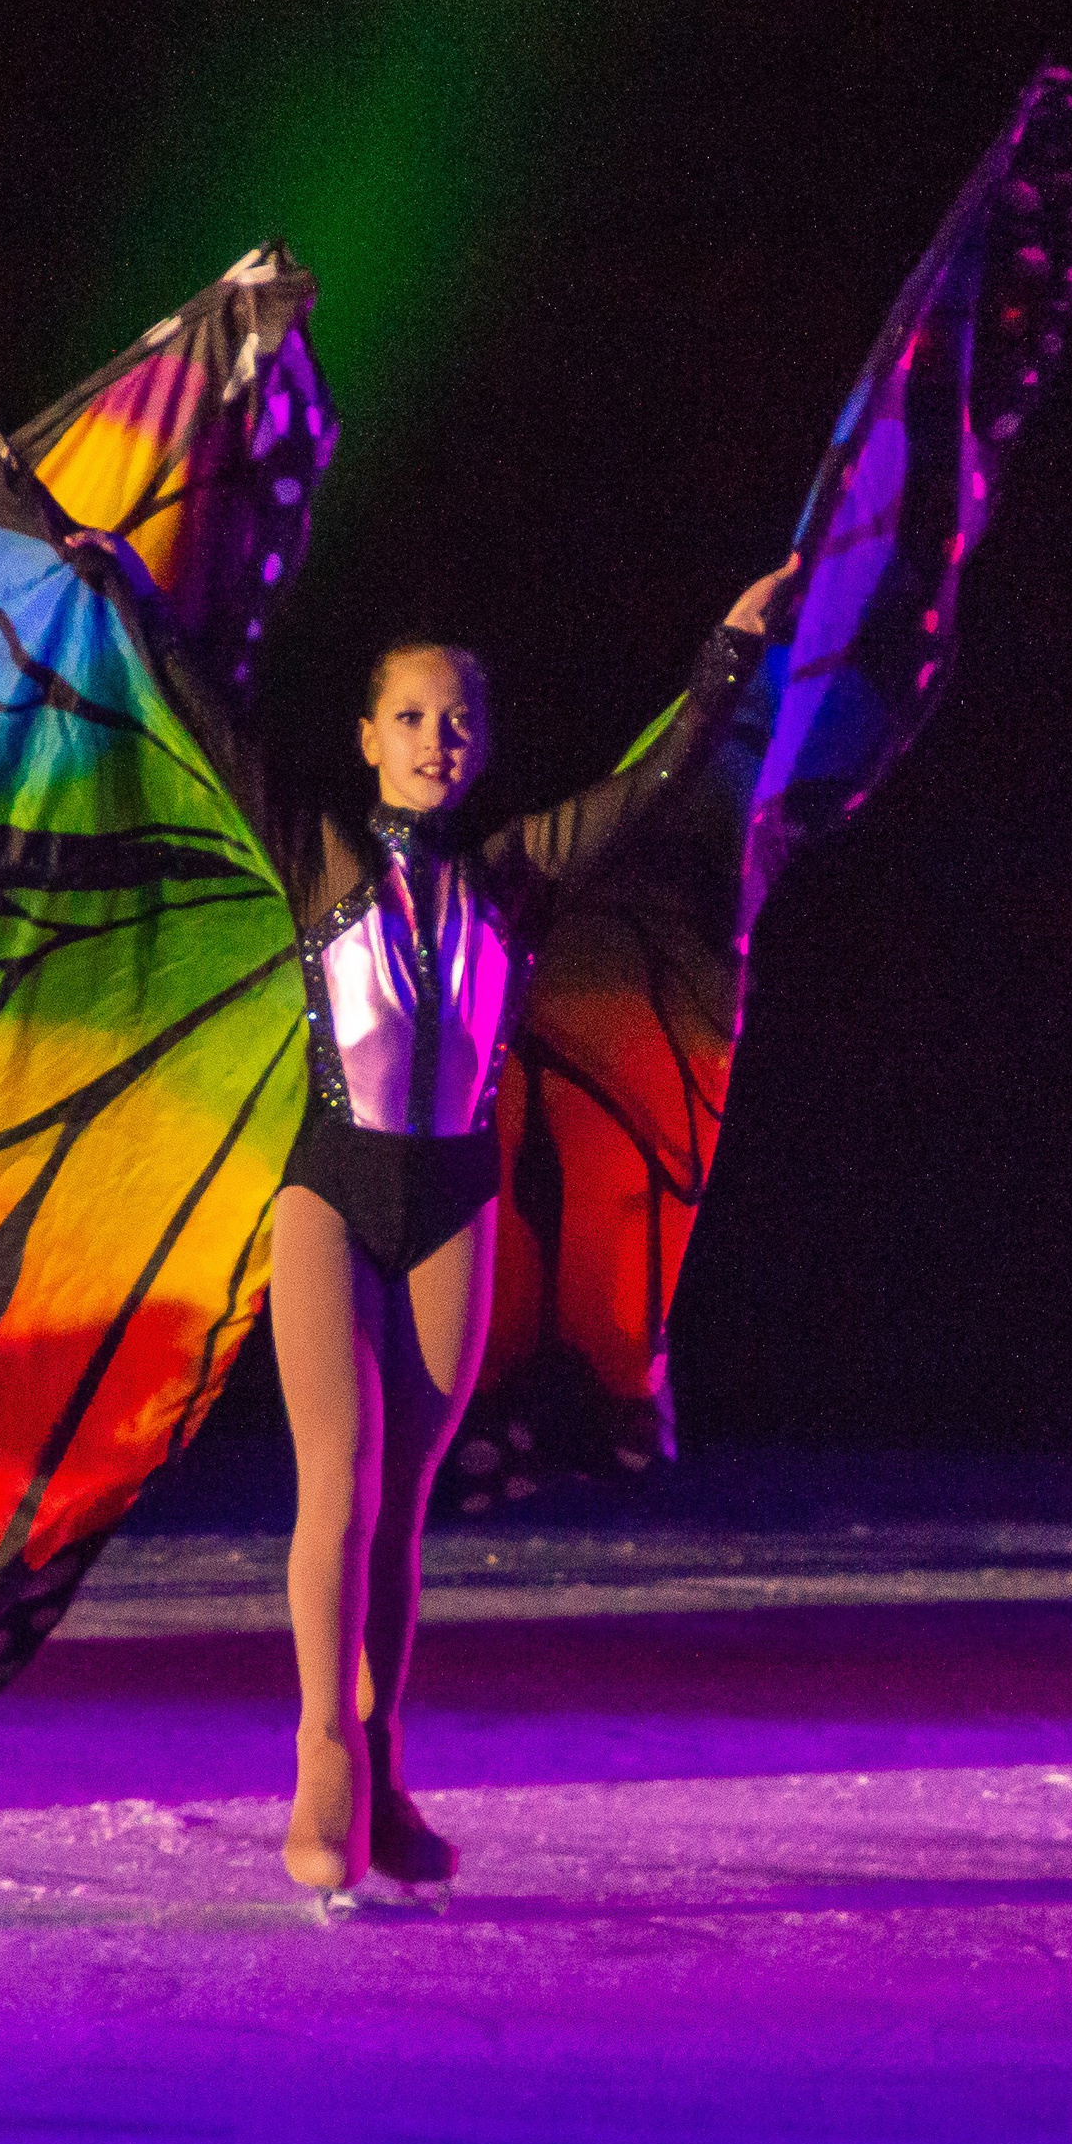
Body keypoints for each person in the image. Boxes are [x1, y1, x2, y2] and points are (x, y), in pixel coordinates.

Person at [271, 559, 798, 1900]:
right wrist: (109, 605)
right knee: (340, 1475)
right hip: (330, 1192)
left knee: (397, 1514)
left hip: (455, 1202)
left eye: (457, 720)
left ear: (483, 739)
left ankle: (383, 1774)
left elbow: (657, 788)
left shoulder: (515, 873)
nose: (435, 739)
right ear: (367, 733)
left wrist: (730, 649)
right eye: (410, 715)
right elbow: (201, 728)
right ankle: (324, 1756)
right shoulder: (318, 852)